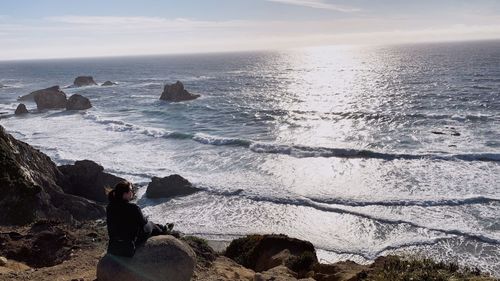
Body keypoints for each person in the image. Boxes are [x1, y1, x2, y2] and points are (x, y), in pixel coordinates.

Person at [106, 181, 174, 257]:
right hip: (128, 248)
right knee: (150, 224)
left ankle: (162, 228)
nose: (132, 192)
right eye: (131, 190)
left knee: (146, 225)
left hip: (113, 247)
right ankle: (163, 230)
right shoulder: (133, 208)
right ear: (125, 194)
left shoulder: (109, 207)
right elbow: (143, 223)